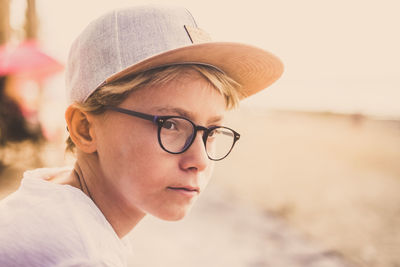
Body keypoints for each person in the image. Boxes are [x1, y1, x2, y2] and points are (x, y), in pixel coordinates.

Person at [0, 5, 283, 266]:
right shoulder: (80, 256)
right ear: (85, 128)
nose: (200, 160)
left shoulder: (47, 197)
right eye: (171, 125)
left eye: (210, 132)